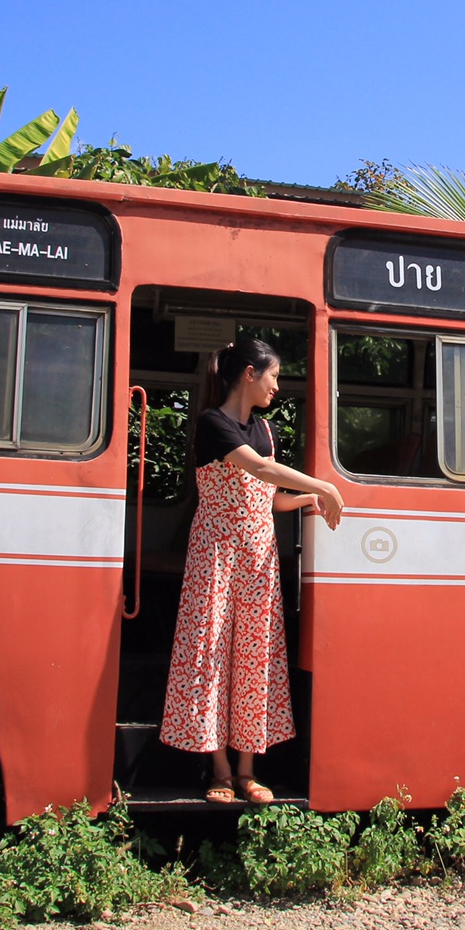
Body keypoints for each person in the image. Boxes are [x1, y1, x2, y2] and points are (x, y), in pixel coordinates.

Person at [159, 338, 344, 804]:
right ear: (248, 374)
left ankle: (246, 770)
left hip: (258, 559)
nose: (276, 386)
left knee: (254, 659)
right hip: (217, 556)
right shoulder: (212, 424)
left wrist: (310, 500)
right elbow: (260, 471)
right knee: (212, 655)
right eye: (273, 376)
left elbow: (270, 497)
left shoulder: (264, 428)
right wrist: (324, 484)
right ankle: (218, 771)